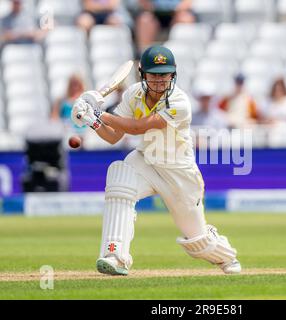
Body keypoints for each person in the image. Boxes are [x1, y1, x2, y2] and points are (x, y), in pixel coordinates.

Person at [71, 45, 241, 275]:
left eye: (165, 74)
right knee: (119, 177)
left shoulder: (179, 102)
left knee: (198, 241)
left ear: (173, 74)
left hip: (178, 172)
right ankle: (115, 255)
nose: (160, 81)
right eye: (154, 74)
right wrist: (91, 120)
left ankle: (225, 254)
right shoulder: (133, 94)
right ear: (143, 74)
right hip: (146, 161)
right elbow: (113, 137)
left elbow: (138, 126)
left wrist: (99, 112)